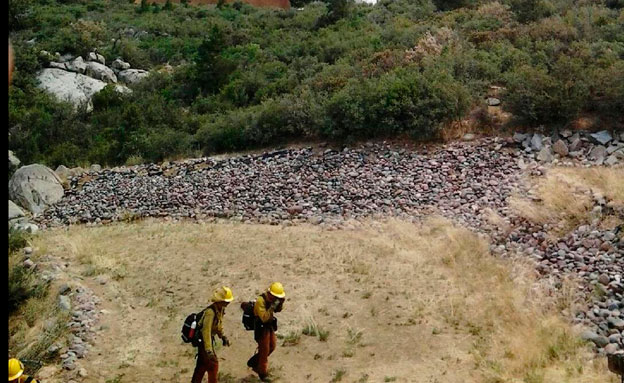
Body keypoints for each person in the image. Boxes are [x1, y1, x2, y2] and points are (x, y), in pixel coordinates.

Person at [191, 286, 233, 383]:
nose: (228, 303)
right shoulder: (210, 313)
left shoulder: (220, 310)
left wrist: (223, 336)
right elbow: (206, 332)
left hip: (207, 341)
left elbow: (218, 325)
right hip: (203, 341)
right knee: (213, 365)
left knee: (201, 365)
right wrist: (209, 350)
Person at [247, 282, 285, 381]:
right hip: (261, 326)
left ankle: (254, 362)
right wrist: (272, 307)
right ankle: (262, 374)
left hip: (269, 325)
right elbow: (264, 318)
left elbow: (278, 310)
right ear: (270, 294)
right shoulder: (260, 301)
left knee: (272, 346)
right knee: (264, 351)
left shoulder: (272, 300)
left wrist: (280, 303)